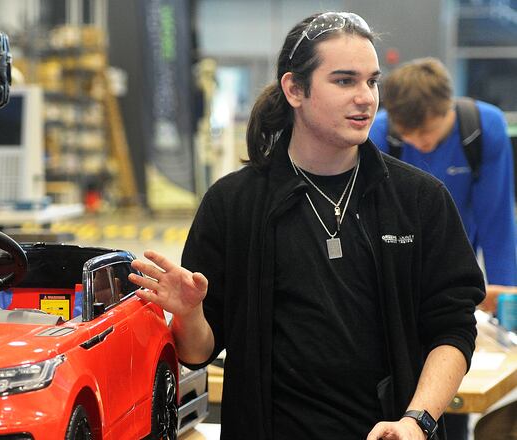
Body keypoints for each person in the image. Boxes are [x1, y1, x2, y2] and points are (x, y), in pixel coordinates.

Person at [128, 11, 485, 440]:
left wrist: (417, 420)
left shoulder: (419, 200)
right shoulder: (234, 204)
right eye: (344, 81)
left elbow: (453, 327)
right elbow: (198, 351)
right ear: (294, 89)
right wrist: (189, 313)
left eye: (372, 81)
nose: (366, 97)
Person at [369, 58, 517, 288]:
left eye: (427, 130)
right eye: (408, 134)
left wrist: (507, 298)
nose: (419, 142)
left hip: (458, 257)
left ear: (449, 106)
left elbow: (497, 224)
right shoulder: (379, 135)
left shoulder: (484, 128)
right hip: (399, 260)